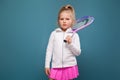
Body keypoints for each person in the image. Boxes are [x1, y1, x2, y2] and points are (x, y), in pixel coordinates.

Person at [45, 4, 81, 80]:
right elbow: (49, 50)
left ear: (72, 21)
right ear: (58, 20)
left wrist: (70, 44)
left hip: (69, 67)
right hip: (56, 66)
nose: (64, 21)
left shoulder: (75, 35)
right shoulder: (54, 34)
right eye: (62, 19)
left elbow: (78, 53)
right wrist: (47, 65)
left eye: (67, 19)